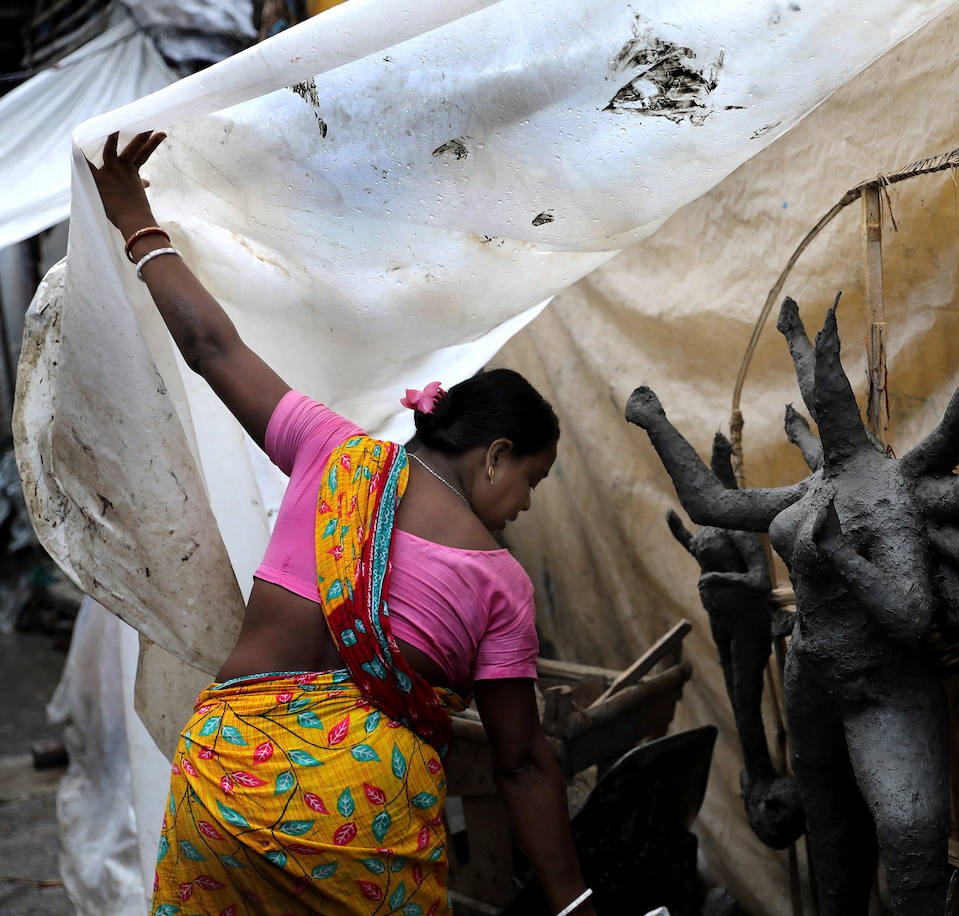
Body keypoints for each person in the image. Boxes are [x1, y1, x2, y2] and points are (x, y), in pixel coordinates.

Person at [87, 130, 596, 916]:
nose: (525, 505)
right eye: (531, 480)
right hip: (360, 828)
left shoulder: (330, 453)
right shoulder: (501, 585)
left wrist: (136, 221)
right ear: (495, 456)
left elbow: (210, 346)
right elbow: (521, 763)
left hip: (225, 790)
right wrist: (572, 901)